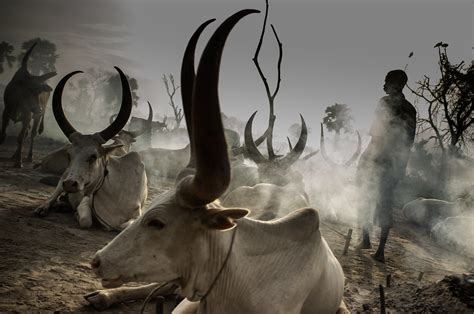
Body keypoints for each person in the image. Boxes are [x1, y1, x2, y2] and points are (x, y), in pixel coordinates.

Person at [356, 69, 417, 263]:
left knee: (373, 200)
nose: (384, 86)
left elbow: (376, 136)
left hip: (381, 161)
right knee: (380, 202)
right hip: (392, 164)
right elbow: (408, 144)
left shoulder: (385, 103)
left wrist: (364, 159)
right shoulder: (410, 109)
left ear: (396, 84)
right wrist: (401, 168)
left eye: (387, 82)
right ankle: (372, 245)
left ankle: (375, 247)